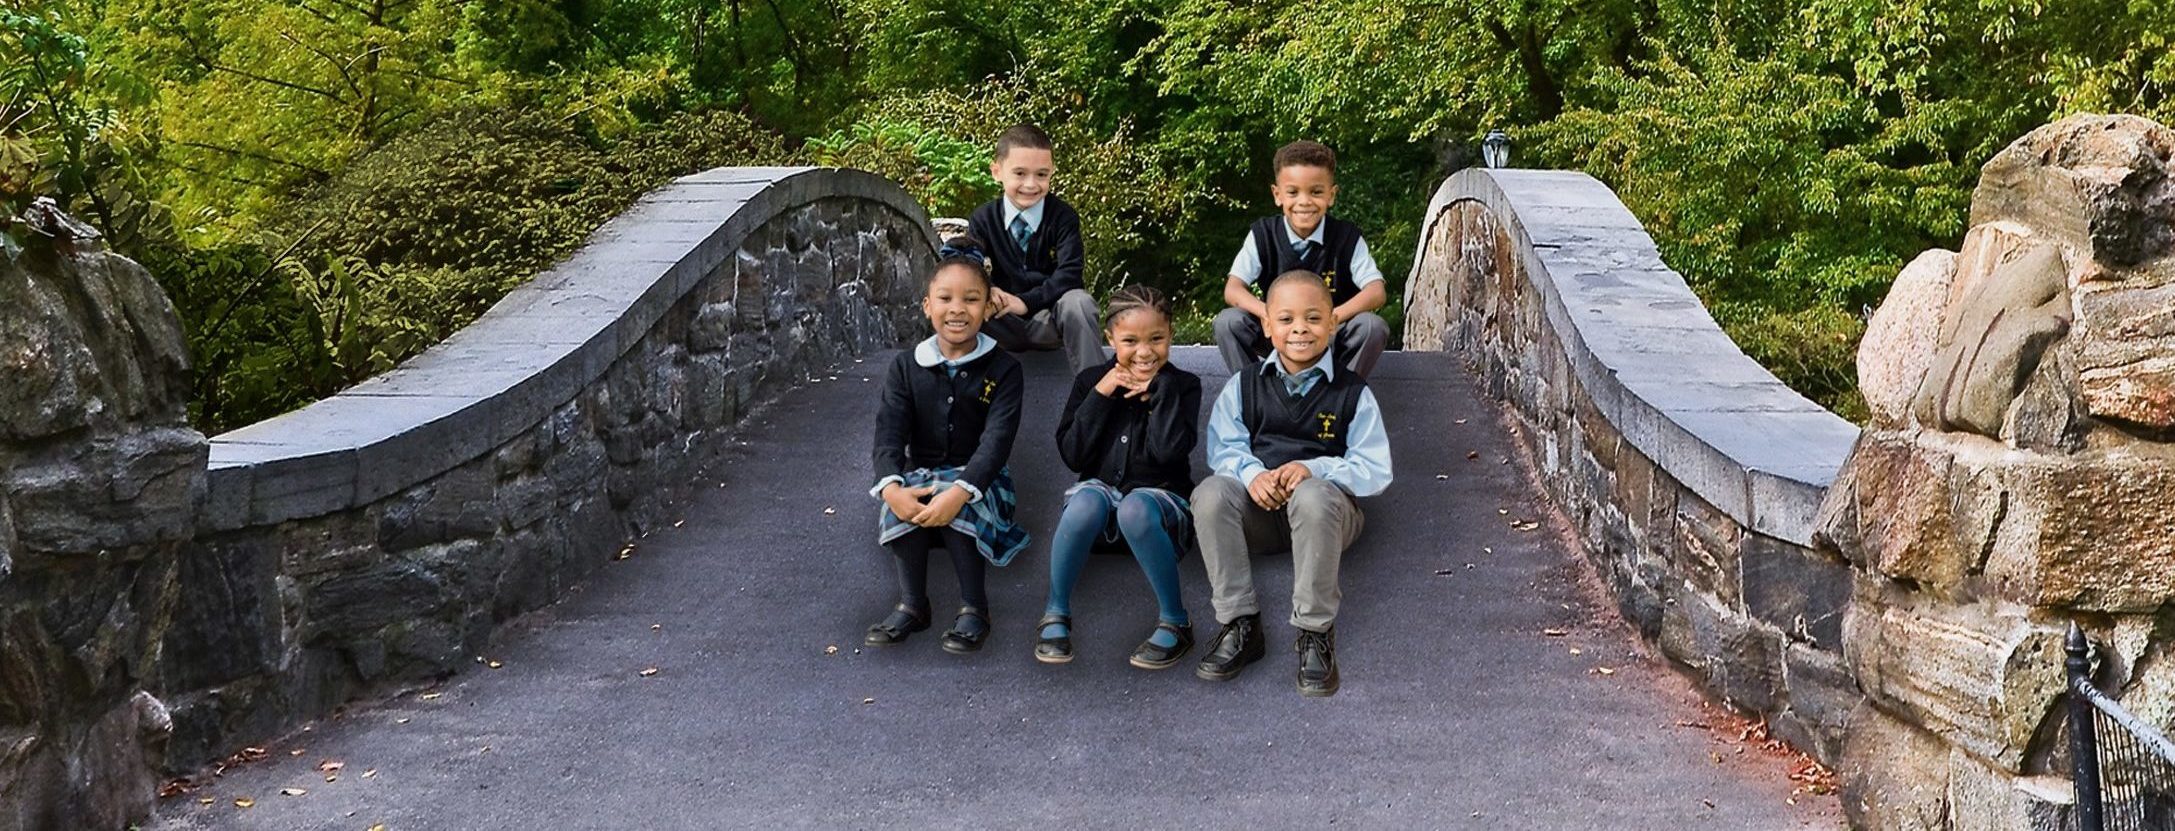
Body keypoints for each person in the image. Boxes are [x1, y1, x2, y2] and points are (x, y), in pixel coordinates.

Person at [1193, 270, 1393, 697]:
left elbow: (1375, 468)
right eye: (1285, 319)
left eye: (1313, 318)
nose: (1299, 329)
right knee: (1210, 493)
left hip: (1328, 518)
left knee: (1314, 495)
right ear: (1266, 325)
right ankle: (1240, 622)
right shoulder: (1242, 385)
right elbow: (1223, 449)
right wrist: (1253, 475)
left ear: (1333, 324)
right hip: (1261, 515)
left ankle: (1314, 632)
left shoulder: (1352, 392)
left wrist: (1315, 469)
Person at [864, 236, 1028, 654]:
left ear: (988, 306)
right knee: (904, 498)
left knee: (959, 501)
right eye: (946, 298)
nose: (958, 309)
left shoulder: (1004, 368)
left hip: (981, 479)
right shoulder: (905, 366)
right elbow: (889, 434)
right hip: (922, 473)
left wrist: (960, 490)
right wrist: (891, 487)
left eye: (971, 299)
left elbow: (996, 442)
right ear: (928, 306)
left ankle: (975, 607)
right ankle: (913, 604)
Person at [1036, 285, 1204, 669]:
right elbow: (1073, 454)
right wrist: (1101, 393)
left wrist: (1161, 393)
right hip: (1100, 508)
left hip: (1158, 509)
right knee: (1085, 501)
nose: (1144, 352)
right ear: (1110, 338)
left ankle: (1176, 621)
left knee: (1133, 507)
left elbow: (1169, 454)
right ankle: (1055, 611)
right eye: (1130, 341)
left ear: (1171, 335)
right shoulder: (1091, 381)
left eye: (1156, 339)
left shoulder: (1184, 385)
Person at [1212, 140, 1391, 380]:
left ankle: (1339, 393)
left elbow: (1376, 291)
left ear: (1331, 195)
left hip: (1329, 334)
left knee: (1373, 327)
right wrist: (1268, 313)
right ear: (1277, 195)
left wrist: (1332, 318)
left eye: (1316, 192)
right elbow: (1233, 290)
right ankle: (1256, 390)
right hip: (1281, 331)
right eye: (1293, 192)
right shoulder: (1263, 234)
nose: (1304, 202)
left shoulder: (1347, 237)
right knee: (1228, 322)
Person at [967, 122, 1104, 374]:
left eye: (1041, 175)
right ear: (997, 171)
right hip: (1001, 320)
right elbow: (971, 267)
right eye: (1019, 173)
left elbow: (1070, 274)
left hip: (1049, 319)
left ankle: (1096, 394)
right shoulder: (983, 219)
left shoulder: (1063, 217)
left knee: (1079, 302)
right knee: (962, 297)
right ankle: (952, 393)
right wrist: (990, 291)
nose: (1031, 185)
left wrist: (1024, 302)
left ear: (1051, 172)